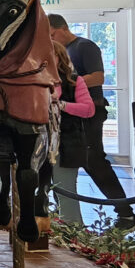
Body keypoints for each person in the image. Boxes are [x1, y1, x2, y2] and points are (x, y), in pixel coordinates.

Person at [49, 14, 135, 230]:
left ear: (63, 28)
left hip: (90, 113)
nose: (51, 40)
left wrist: (69, 81)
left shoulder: (84, 46)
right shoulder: (67, 50)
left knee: (94, 162)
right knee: (63, 161)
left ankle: (127, 214)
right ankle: (63, 210)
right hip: (69, 118)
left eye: (52, 34)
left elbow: (98, 77)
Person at [49, 41, 95, 225]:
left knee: (66, 188)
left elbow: (88, 109)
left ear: (60, 58)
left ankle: (71, 231)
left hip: (67, 142)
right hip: (36, 143)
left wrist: (62, 105)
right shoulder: (31, 82)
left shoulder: (75, 81)